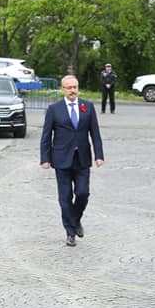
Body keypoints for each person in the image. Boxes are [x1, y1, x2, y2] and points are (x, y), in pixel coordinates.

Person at [40, 75, 105, 247]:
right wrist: (45, 158)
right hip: (61, 159)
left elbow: (95, 133)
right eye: (68, 87)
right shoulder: (54, 109)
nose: (72, 90)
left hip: (82, 158)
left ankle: (75, 219)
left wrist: (99, 155)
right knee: (65, 197)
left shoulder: (88, 107)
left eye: (75, 87)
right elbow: (46, 136)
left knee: (83, 193)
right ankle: (70, 232)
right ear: (62, 89)